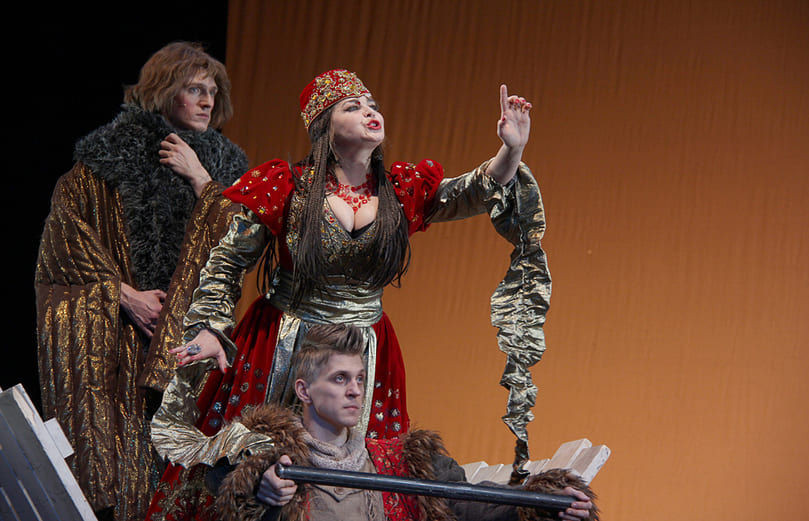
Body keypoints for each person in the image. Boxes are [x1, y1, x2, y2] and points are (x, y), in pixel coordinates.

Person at [145, 68, 551, 520]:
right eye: (352, 107)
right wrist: (209, 328)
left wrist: (511, 148)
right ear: (325, 125)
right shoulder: (287, 187)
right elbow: (226, 262)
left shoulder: (400, 190)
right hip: (284, 342)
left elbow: (474, 191)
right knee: (260, 473)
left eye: (372, 105)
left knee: (364, 471)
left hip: (366, 349)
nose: (369, 112)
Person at [34, 41, 248, 521]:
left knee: (185, 480)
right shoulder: (103, 164)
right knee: (126, 470)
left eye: (213, 91)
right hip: (118, 341)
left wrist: (201, 180)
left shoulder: (227, 172)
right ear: (164, 90)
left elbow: (242, 242)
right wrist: (123, 295)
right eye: (194, 89)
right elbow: (60, 250)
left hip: (192, 346)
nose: (207, 101)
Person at [210, 323, 598, 521]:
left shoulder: (402, 462)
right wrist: (262, 492)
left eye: (360, 379)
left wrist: (544, 504)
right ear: (304, 390)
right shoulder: (267, 460)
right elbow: (229, 496)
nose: (355, 391)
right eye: (340, 379)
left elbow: (471, 505)